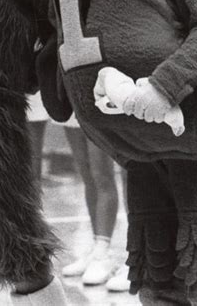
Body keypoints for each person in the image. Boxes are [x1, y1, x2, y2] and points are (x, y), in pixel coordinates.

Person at [61, 119, 129, 292]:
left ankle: (133, 256)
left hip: (101, 102)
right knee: (87, 174)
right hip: (72, 99)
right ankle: (99, 250)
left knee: (104, 175)